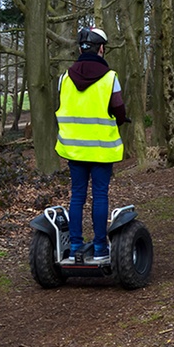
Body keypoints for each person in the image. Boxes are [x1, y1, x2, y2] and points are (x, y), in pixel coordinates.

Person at [55, 27, 129, 263]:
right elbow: (118, 108)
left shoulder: (64, 78)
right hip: (100, 148)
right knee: (99, 195)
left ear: (80, 49)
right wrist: (119, 119)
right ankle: (99, 249)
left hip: (74, 148)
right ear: (101, 48)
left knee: (77, 195)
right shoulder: (110, 78)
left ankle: (75, 245)